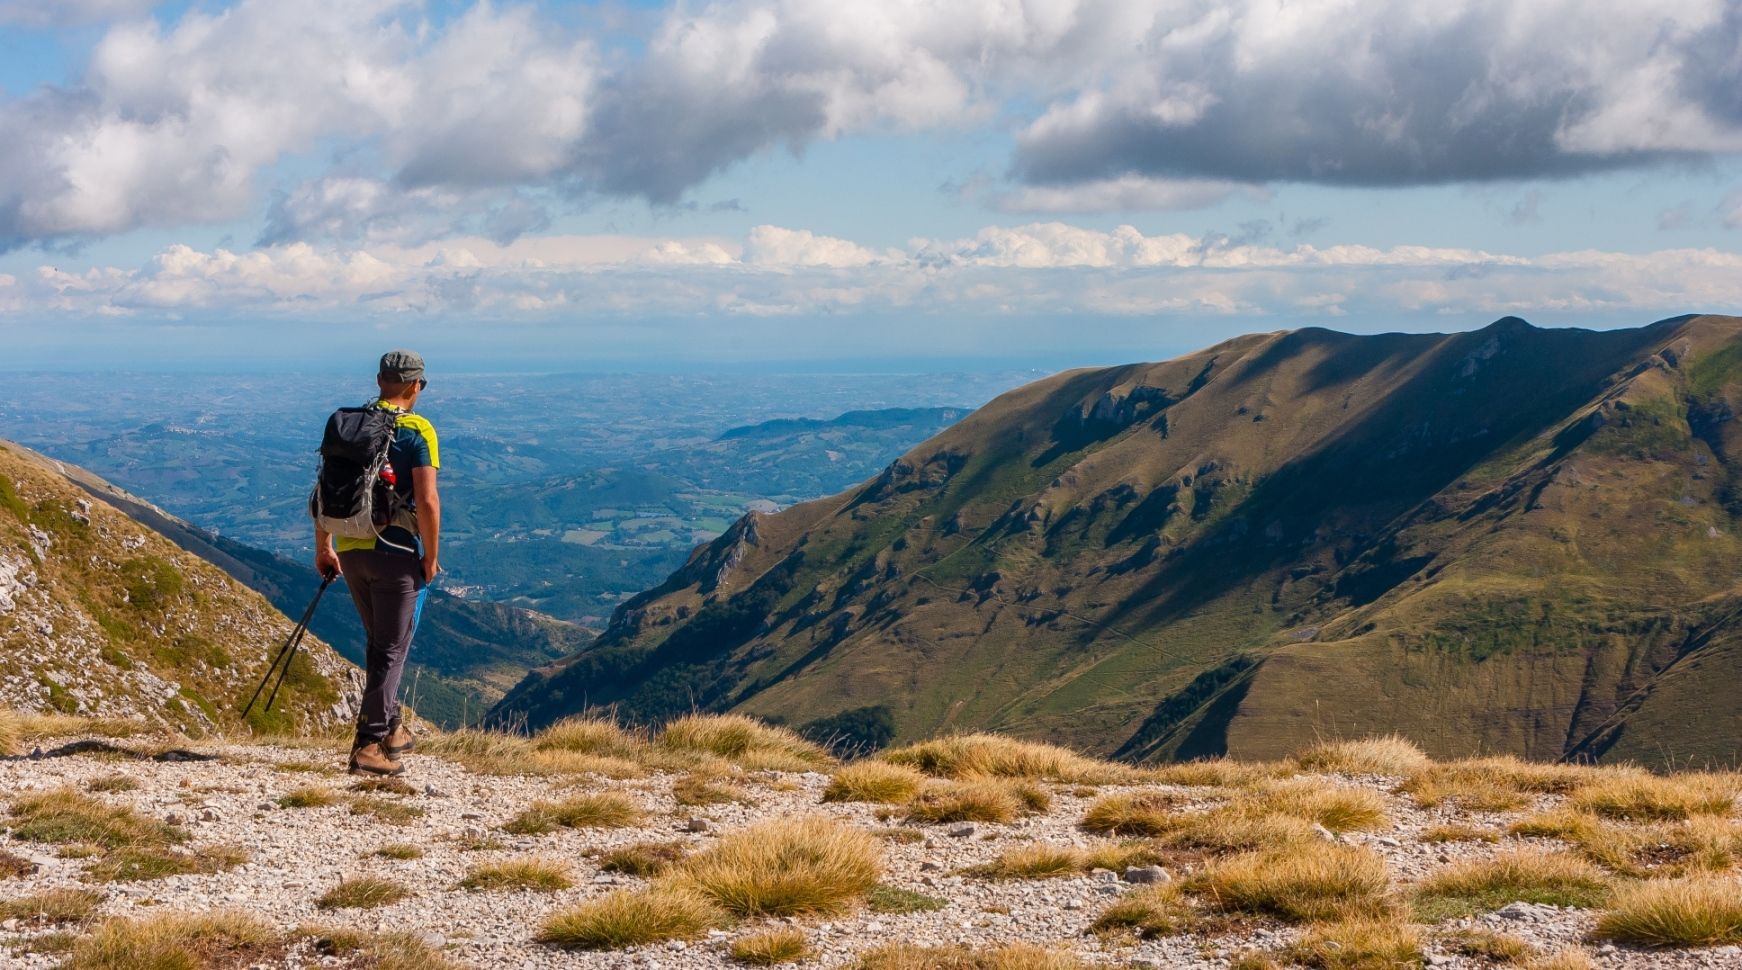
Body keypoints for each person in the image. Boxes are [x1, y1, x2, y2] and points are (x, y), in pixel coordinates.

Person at [315, 350, 442, 777]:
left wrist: (324, 546)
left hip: (351, 550)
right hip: (395, 550)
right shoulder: (416, 429)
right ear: (414, 385)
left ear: (379, 379)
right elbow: (426, 500)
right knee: (392, 647)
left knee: (379, 643)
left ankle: (392, 730)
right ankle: (367, 745)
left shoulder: (349, 426)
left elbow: (323, 490)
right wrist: (431, 555)